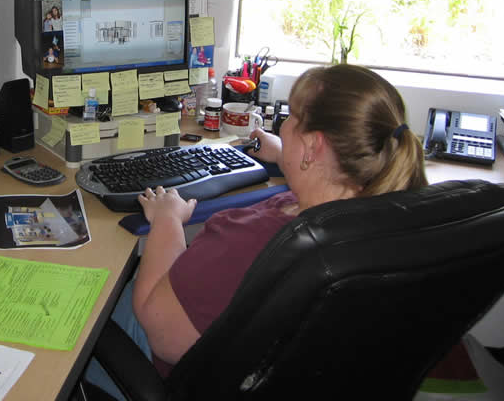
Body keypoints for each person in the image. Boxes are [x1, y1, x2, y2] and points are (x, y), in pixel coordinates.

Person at [85, 64, 427, 398]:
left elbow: (161, 333)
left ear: (314, 146)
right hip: (310, 378)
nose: (284, 126)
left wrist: (167, 220)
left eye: (292, 118)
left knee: (98, 293)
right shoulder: (385, 214)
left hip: (168, 360)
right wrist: (286, 155)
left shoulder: (255, 241)